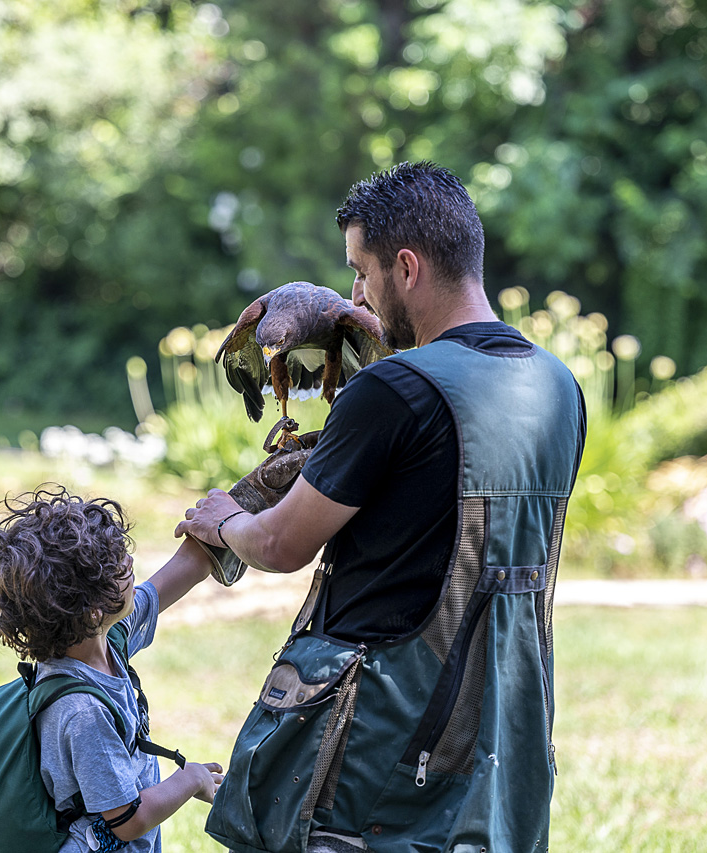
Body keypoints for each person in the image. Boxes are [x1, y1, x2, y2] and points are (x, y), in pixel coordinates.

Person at [177, 161, 587, 853]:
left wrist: (225, 521)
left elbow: (280, 544)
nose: (357, 293)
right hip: (497, 736)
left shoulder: (395, 388)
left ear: (407, 266)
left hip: (377, 747)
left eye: (362, 271)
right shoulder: (558, 388)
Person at [0, 485, 223, 853]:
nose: (129, 563)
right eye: (115, 566)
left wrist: (241, 503)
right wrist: (191, 779)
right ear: (92, 610)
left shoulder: (106, 639)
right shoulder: (82, 712)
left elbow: (189, 565)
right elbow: (127, 820)